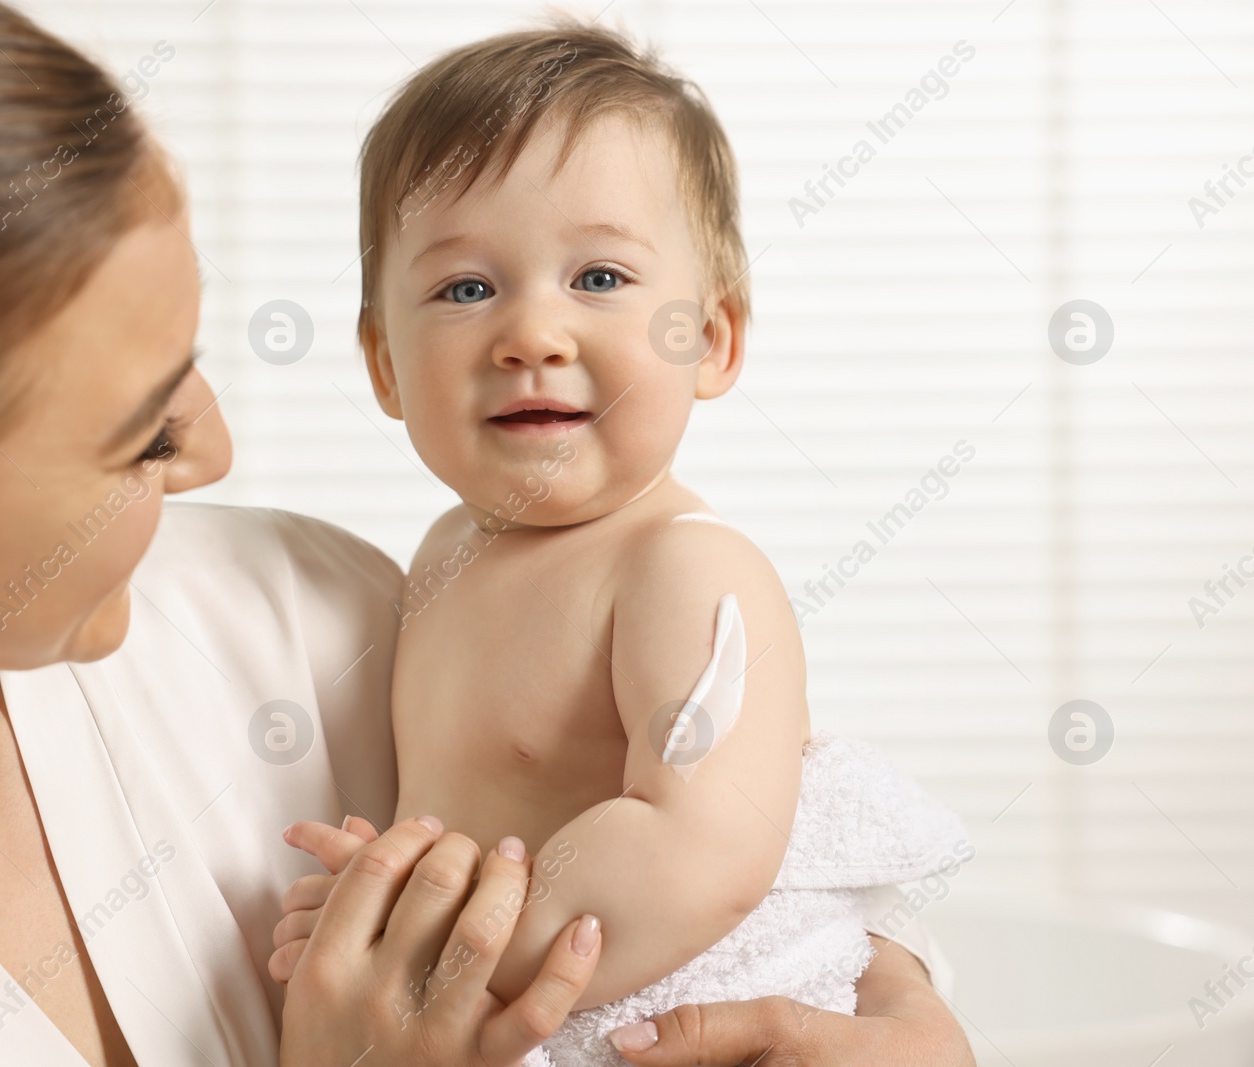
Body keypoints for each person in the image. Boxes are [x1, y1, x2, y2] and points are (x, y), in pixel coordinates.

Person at [0, 2, 973, 1065]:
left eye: (189, 361)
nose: (217, 448)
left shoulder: (312, 611)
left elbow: (742, 858)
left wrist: (905, 1012)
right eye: (136, 430)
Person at [264, 25, 969, 1066]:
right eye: (466, 288)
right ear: (383, 366)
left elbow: (697, 850)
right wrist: (385, 899)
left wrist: (438, 950)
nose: (532, 333)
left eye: (597, 277)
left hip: (664, 1015)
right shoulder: (442, 555)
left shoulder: (683, 568)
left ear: (713, 338)